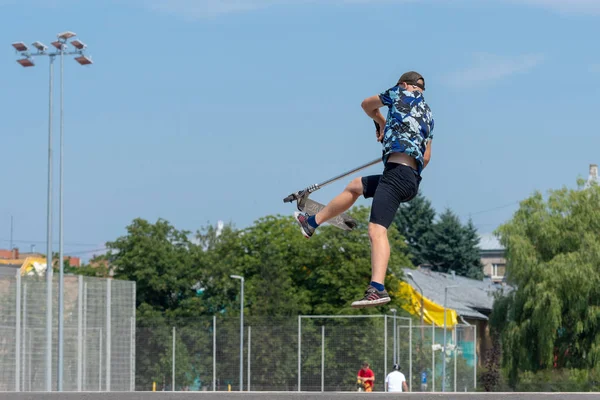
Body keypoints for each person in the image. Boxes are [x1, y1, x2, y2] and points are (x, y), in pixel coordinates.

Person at [294, 71, 435, 308]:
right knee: (355, 186)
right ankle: (311, 223)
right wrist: (396, 138)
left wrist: (381, 121)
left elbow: (366, 105)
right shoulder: (429, 115)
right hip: (409, 179)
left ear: (404, 84)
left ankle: (377, 288)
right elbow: (427, 157)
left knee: (376, 231)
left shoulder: (400, 92)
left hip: (396, 174)